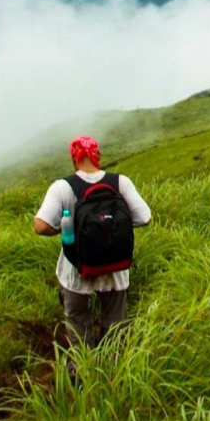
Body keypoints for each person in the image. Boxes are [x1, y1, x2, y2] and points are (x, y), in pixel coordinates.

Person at [33, 135, 151, 348]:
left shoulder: (62, 187)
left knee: (78, 323)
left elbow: (40, 226)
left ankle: (80, 371)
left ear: (74, 158)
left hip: (76, 270)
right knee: (115, 326)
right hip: (115, 269)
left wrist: (69, 228)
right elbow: (144, 217)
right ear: (97, 155)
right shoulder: (120, 182)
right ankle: (113, 369)